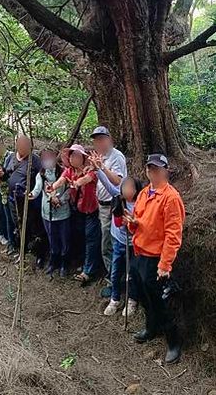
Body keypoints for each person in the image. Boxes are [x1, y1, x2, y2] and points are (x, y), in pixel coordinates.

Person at [123, 154, 185, 364]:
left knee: (160, 302)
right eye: (150, 169)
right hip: (139, 253)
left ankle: (174, 342)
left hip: (156, 259)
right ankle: (151, 328)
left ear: (166, 171)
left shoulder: (171, 198)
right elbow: (140, 222)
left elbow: (173, 234)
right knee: (142, 295)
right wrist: (132, 222)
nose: (153, 172)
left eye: (157, 169)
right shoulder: (143, 193)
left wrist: (165, 264)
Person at [90, 153, 142, 317]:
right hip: (119, 241)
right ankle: (115, 298)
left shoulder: (141, 204)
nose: (127, 191)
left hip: (133, 245)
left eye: (130, 188)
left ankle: (132, 300)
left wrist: (133, 222)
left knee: (132, 273)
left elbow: (143, 223)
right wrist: (98, 169)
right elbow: (107, 183)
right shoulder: (118, 198)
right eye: (124, 187)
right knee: (115, 270)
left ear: (136, 190)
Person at [49, 144, 100, 285]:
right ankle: (83, 263)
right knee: (81, 237)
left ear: (83, 158)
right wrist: (52, 187)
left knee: (91, 238)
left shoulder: (90, 171)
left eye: (77, 156)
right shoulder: (68, 171)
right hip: (77, 211)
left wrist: (77, 183)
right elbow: (61, 180)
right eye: (71, 156)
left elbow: (86, 180)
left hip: (91, 211)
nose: (73, 158)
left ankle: (89, 271)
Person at [91, 126, 127, 295]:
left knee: (110, 244)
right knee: (107, 243)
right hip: (102, 206)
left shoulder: (116, 157)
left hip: (113, 205)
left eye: (102, 139)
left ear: (109, 139)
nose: (99, 142)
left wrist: (102, 168)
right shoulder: (102, 156)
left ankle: (116, 282)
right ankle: (112, 277)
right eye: (96, 140)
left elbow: (118, 182)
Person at [3, 136, 45, 262]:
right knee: (19, 224)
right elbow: (6, 175)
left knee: (34, 226)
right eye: (20, 143)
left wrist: (33, 192)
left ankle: (39, 254)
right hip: (13, 199)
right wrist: (2, 175)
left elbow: (42, 177)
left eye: (25, 144)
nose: (22, 146)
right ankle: (23, 251)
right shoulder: (10, 157)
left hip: (29, 201)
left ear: (30, 146)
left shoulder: (35, 160)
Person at [31, 148, 70, 277]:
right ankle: (54, 262)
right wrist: (30, 194)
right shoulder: (41, 174)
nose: (47, 160)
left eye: (50, 157)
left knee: (64, 238)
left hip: (63, 212)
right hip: (47, 213)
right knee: (52, 238)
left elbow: (69, 190)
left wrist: (60, 199)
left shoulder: (64, 173)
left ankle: (64, 263)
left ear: (55, 157)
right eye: (44, 158)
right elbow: (37, 189)